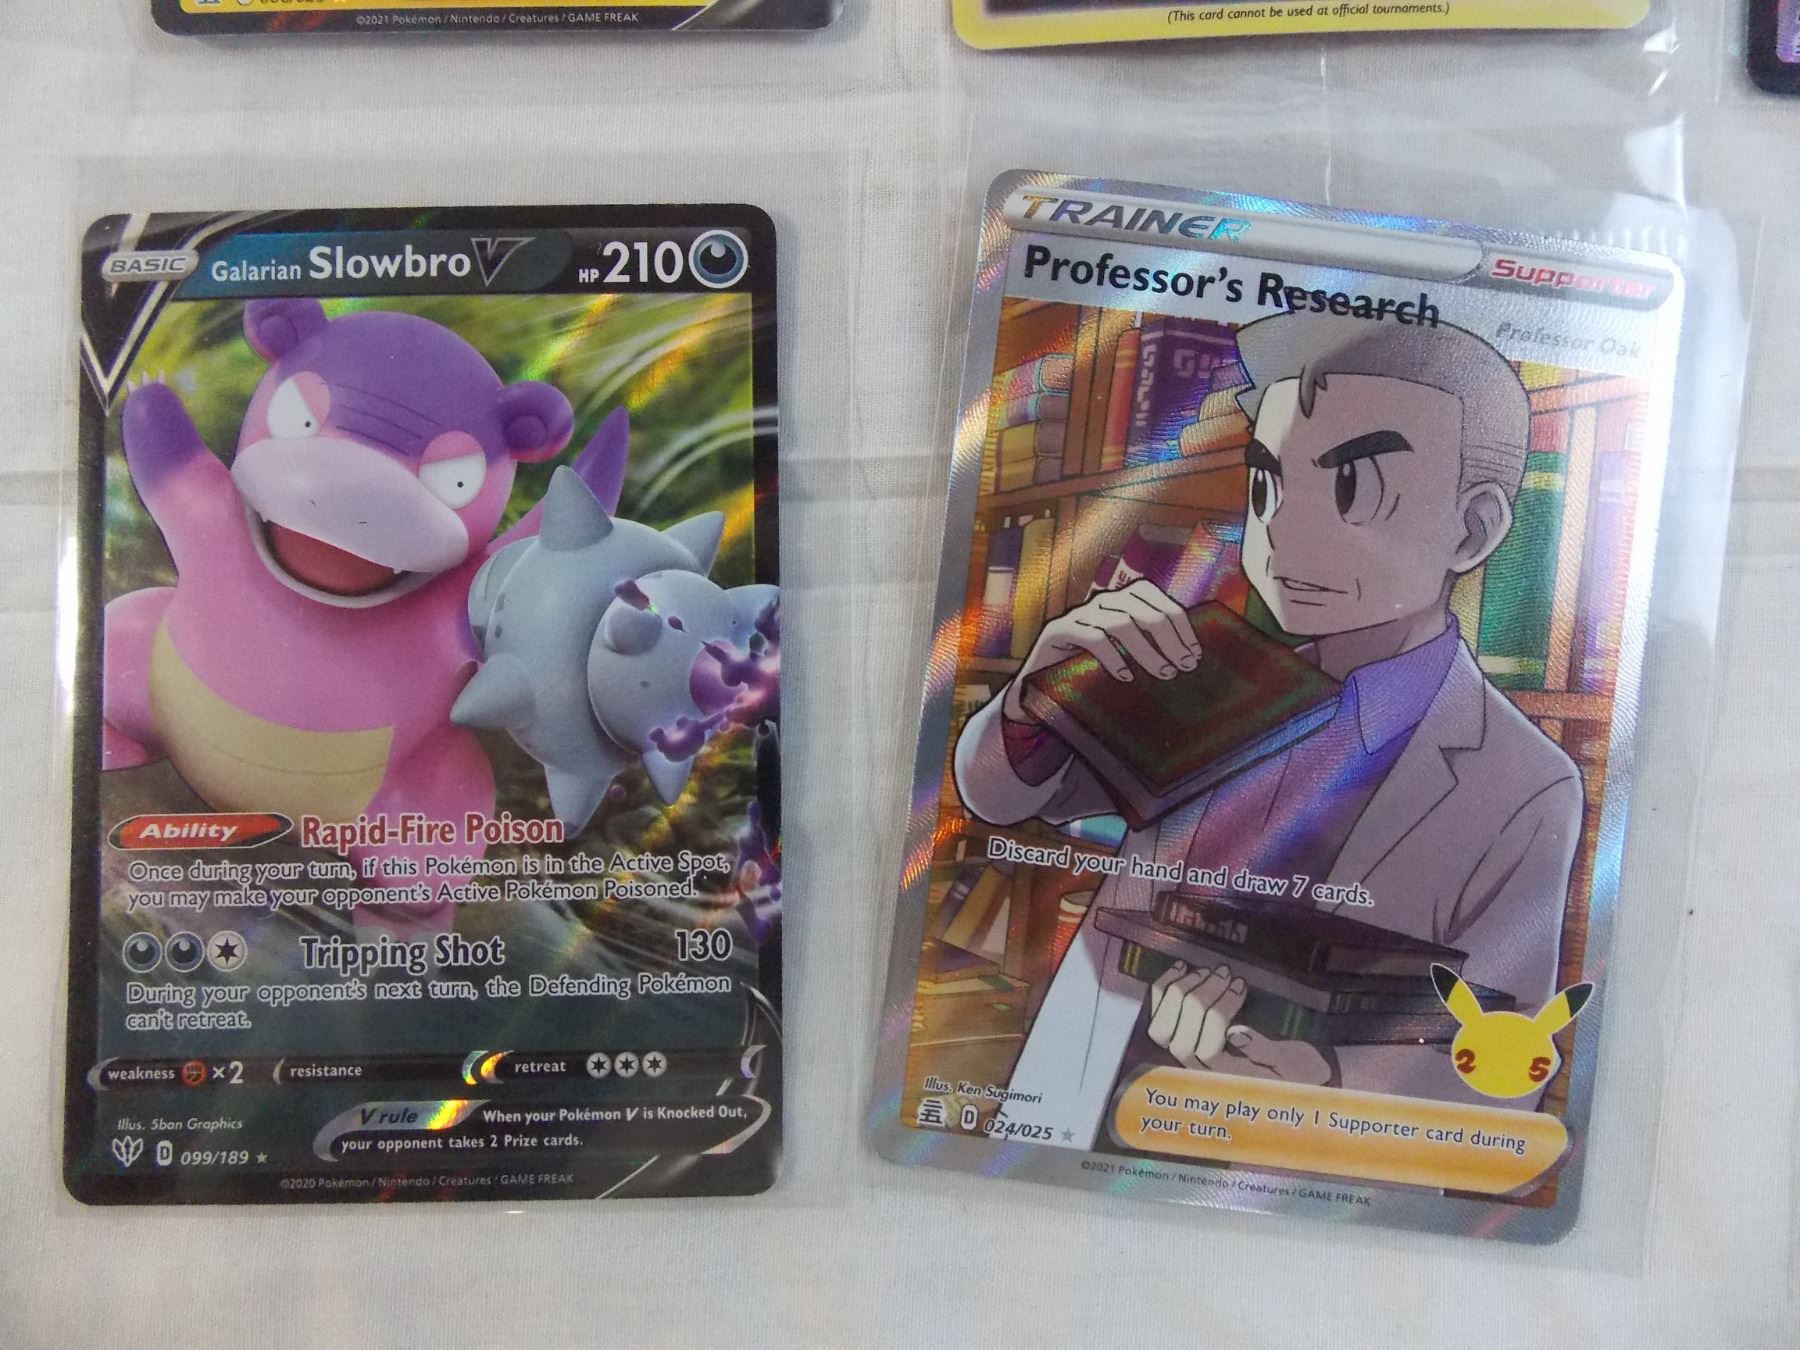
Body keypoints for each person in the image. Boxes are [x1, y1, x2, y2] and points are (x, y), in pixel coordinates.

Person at [954, 312, 1583, 1149]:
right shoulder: (1211, 672)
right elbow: (1004, 798)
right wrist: (1039, 697)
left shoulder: (1527, 784)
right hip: (1082, 1105)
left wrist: (1320, 1084)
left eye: (1353, 489)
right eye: (1266, 487)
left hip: (1309, 1170)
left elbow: (1504, 1057)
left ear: (1472, 530)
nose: (1281, 532)